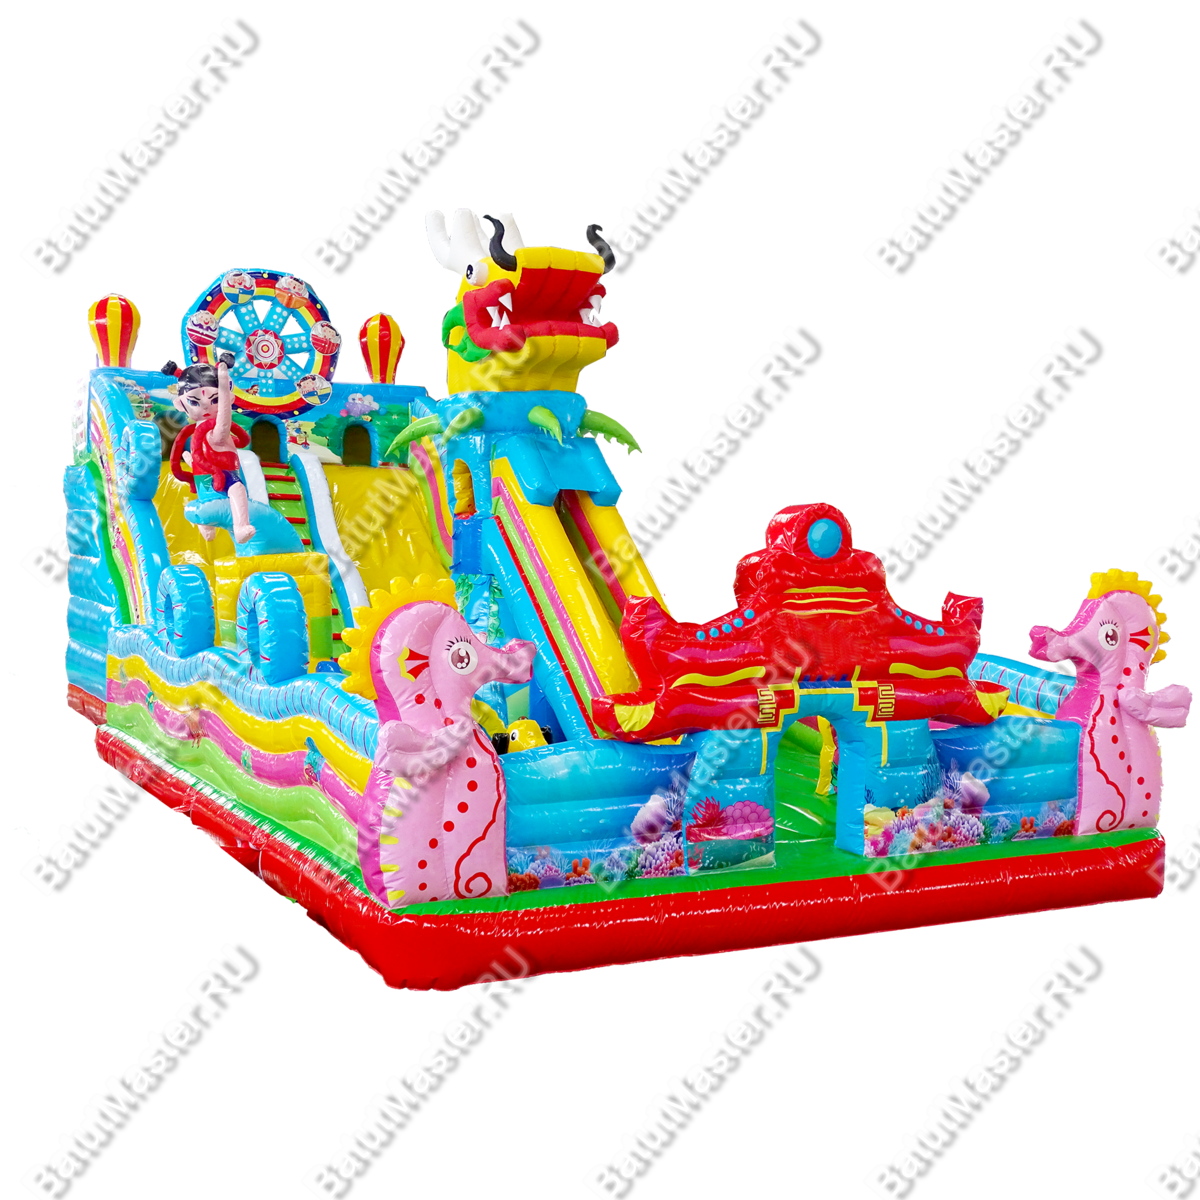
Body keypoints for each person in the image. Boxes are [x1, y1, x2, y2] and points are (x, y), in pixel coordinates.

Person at [163, 352, 256, 543]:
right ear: (180, 404)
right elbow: (223, 424)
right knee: (236, 488)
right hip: (209, 474)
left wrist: (223, 381)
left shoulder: (212, 430)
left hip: (221, 472)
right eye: (194, 402)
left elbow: (224, 420)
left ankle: (234, 527)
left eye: (215, 400)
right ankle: (224, 526)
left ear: (228, 399)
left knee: (235, 488)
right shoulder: (201, 431)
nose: (205, 407)